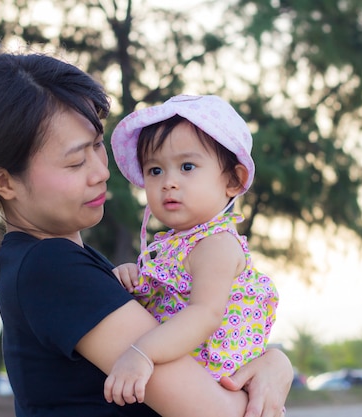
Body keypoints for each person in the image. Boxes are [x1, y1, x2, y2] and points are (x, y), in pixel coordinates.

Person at [0, 44, 293, 417]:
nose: (101, 171)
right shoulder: (52, 268)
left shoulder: (68, 261)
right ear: (4, 182)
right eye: (76, 161)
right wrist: (275, 370)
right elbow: (219, 413)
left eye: (98, 146)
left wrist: (274, 364)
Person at [106, 95, 280, 405]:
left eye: (187, 166)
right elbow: (164, 301)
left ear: (233, 180)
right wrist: (135, 279)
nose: (168, 182)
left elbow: (205, 313)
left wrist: (142, 352)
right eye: (155, 170)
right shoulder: (172, 245)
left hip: (215, 388)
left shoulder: (216, 244)